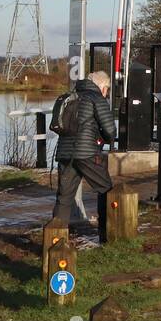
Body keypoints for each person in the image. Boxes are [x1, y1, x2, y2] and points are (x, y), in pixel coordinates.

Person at [51, 71, 117, 227]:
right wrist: (106, 139)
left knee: (64, 198)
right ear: (102, 86)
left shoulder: (71, 96)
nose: (106, 93)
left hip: (64, 153)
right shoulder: (97, 98)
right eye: (107, 89)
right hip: (87, 153)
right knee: (106, 190)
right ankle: (107, 232)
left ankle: (56, 238)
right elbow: (110, 130)